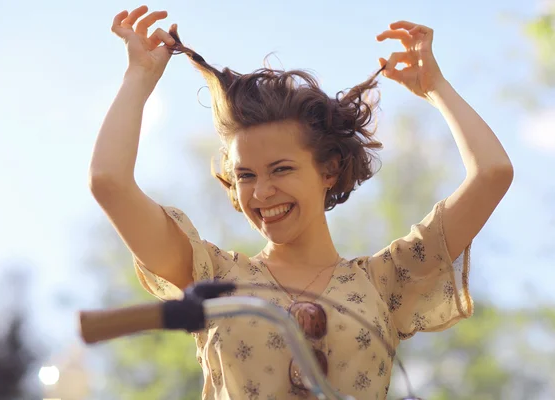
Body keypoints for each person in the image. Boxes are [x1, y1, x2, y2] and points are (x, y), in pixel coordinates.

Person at [89, 5, 513, 399]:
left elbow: (492, 173)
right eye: (246, 175)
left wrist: (435, 87)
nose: (261, 192)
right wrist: (138, 79)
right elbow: (109, 183)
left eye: (281, 169)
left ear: (328, 171)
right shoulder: (214, 278)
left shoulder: (386, 282)